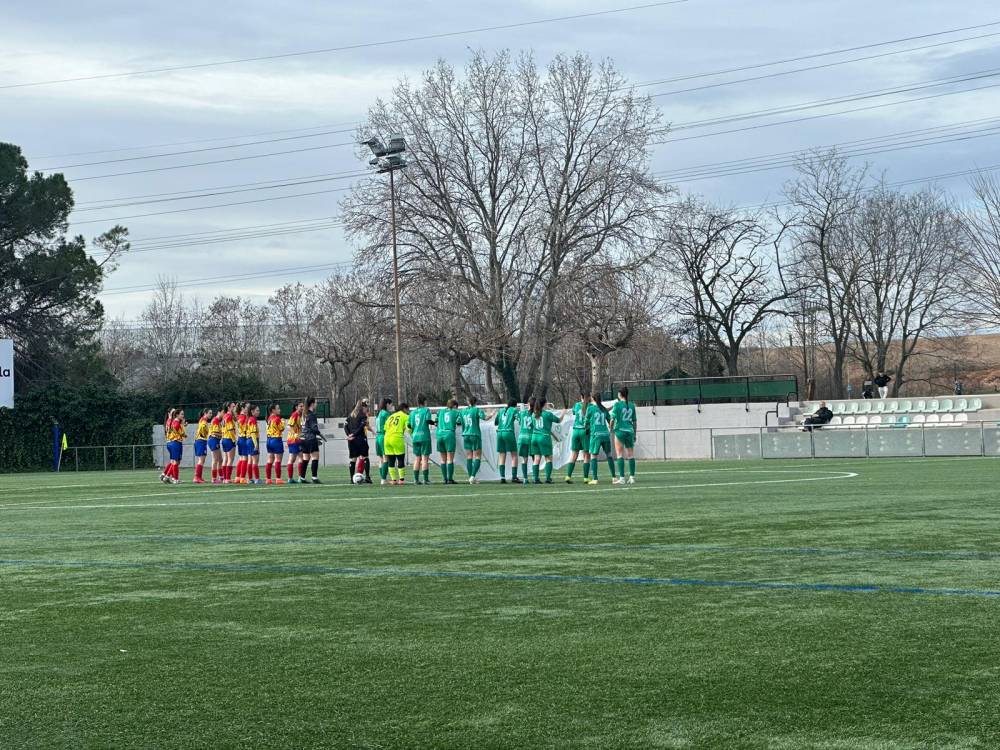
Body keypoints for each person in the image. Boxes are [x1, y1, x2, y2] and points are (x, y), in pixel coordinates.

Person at [529, 400, 563, 484]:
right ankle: (548, 478)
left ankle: (535, 479)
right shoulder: (547, 414)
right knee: (548, 458)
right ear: (544, 404)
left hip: (534, 437)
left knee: (536, 458)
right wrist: (564, 413)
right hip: (544, 437)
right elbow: (558, 420)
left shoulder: (533, 414)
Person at [585, 396, 617, 486]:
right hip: (605, 434)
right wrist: (610, 429)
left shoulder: (590, 408)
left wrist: (586, 430)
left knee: (593, 456)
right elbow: (610, 420)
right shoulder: (604, 409)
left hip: (596, 435)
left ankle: (595, 479)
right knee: (609, 455)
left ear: (593, 398)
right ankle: (614, 477)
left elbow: (586, 422)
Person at [610, 387, 637, 485]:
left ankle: (622, 478)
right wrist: (635, 434)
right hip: (629, 431)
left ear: (620, 394)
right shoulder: (632, 405)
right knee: (631, 454)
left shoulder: (617, 404)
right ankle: (632, 477)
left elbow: (612, 419)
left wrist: (611, 428)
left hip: (620, 431)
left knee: (620, 454)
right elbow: (634, 421)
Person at [460, 396, 490, 484]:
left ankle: (471, 478)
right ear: (475, 402)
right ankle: (472, 476)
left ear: (468, 402)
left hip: (466, 435)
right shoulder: (477, 410)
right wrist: (491, 414)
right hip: (474, 434)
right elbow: (485, 418)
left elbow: (459, 421)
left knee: (469, 456)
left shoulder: (462, 411)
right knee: (477, 456)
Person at [344, 399, 373, 484]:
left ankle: (351, 479)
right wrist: (354, 434)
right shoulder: (362, 415)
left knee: (353, 459)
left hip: (352, 440)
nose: (366, 409)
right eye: (366, 407)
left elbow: (345, 426)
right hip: (360, 439)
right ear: (363, 406)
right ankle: (367, 477)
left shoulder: (350, 415)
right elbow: (361, 427)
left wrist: (349, 435)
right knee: (365, 457)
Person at [565, 392, 591, 484]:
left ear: (581, 397)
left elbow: (573, 412)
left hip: (576, 431)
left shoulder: (576, 405)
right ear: (589, 397)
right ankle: (586, 478)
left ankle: (568, 476)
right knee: (586, 455)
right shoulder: (590, 406)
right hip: (584, 431)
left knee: (574, 454)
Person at [409, 395, 434, 485]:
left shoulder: (412, 412)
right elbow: (428, 420)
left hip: (415, 437)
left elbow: (409, 425)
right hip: (424, 436)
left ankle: (416, 480)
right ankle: (425, 480)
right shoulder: (426, 410)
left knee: (417, 458)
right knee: (424, 458)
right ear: (424, 402)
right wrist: (434, 423)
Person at [383, 403, 410, 485]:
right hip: (397, 438)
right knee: (400, 459)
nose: (408, 411)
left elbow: (385, 428)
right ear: (404, 409)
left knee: (391, 460)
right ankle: (401, 480)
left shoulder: (391, 416)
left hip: (387, 439)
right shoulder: (405, 416)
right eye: (408, 410)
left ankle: (394, 480)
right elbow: (409, 428)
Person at [435, 398, 461, 484]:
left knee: (443, 459)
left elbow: (435, 422)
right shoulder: (456, 412)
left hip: (439, 434)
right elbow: (459, 422)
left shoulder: (440, 411)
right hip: (449, 434)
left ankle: (444, 479)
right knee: (450, 458)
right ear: (454, 406)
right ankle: (450, 479)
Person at [299, 397, 323, 484]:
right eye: (316, 403)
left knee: (305, 458)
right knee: (315, 457)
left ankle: (302, 477)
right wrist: (318, 433)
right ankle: (314, 477)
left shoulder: (304, 414)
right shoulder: (311, 415)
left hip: (303, 439)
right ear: (312, 404)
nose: (316, 404)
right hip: (310, 438)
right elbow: (314, 428)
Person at [494, 399, 519, 484]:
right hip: (508, 432)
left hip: (499, 433)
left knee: (502, 455)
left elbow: (496, 422)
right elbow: (519, 419)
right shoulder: (514, 410)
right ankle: (514, 477)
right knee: (514, 455)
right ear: (515, 405)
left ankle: (502, 477)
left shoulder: (501, 410)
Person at [162, 408, 186, 485]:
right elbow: (180, 432)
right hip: (175, 442)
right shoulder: (176, 422)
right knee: (175, 462)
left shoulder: (172, 421)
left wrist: (182, 425)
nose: (183, 416)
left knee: (175, 462)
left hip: (172, 442)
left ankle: (166, 476)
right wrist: (182, 429)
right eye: (182, 414)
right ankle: (175, 479)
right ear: (177, 415)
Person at [516, 397, 536, 485]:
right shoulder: (535, 414)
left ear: (528, 404)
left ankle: (525, 478)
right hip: (531, 438)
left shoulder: (522, 413)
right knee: (535, 458)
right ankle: (535, 477)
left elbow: (519, 422)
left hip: (522, 438)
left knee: (524, 459)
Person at [374, 398, 394, 485]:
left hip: (378, 437)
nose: (391, 406)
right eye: (391, 404)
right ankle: (383, 479)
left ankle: (382, 478)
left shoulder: (378, 413)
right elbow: (391, 426)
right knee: (386, 458)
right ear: (387, 404)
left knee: (381, 459)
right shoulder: (386, 413)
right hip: (383, 436)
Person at [265, 403, 285, 485]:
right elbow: (282, 428)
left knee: (270, 460)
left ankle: (268, 479)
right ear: (273, 410)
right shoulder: (277, 418)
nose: (280, 410)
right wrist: (283, 421)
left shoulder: (269, 418)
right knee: (278, 460)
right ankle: (278, 479)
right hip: (276, 440)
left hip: (269, 440)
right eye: (278, 408)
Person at [192, 408, 212, 484]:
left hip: (201, 441)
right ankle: (196, 477)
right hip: (201, 441)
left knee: (202, 460)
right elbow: (203, 429)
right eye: (209, 413)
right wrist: (209, 432)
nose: (211, 415)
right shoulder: (203, 421)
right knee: (201, 460)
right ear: (205, 413)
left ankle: (199, 477)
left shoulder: (203, 420)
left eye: (211, 413)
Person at [286, 401, 304, 484]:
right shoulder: (295, 415)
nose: (302, 407)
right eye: (300, 406)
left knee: (301, 457)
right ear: (296, 407)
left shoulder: (299, 415)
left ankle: (300, 477)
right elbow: (289, 426)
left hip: (297, 440)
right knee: (292, 459)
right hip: (293, 440)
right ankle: (290, 478)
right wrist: (295, 434)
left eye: (303, 406)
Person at [220, 402, 238, 483]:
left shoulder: (224, 416)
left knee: (225, 459)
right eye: (233, 407)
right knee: (230, 459)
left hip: (224, 439)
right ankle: (227, 478)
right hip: (229, 439)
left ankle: (224, 478)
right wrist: (234, 439)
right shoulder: (229, 416)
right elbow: (231, 430)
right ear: (228, 407)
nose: (234, 408)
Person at [207, 407, 224, 484]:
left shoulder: (218, 420)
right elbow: (215, 432)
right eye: (223, 412)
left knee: (220, 460)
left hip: (215, 440)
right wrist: (224, 433)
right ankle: (214, 478)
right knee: (215, 460)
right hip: (213, 440)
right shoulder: (216, 420)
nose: (224, 414)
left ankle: (221, 477)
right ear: (219, 412)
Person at [246, 404, 263, 485]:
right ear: (252, 411)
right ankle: (257, 479)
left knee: (250, 460)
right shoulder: (252, 419)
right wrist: (256, 444)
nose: (258, 412)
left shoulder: (249, 419)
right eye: (257, 410)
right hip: (253, 440)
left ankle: (250, 479)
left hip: (248, 440)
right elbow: (253, 433)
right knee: (255, 461)